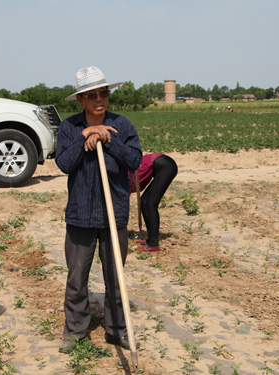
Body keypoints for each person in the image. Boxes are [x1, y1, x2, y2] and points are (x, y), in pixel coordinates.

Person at [55, 66, 142, 353]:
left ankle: (117, 330)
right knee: (77, 278)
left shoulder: (123, 125)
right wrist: (85, 136)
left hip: (114, 213)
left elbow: (134, 161)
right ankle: (75, 331)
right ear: (81, 99)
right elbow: (64, 164)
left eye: (103, 93)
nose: (99, 99)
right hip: (81, 214)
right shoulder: (69, 127)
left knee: (115, 276)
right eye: (91, 95)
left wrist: (108, 139)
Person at [128, 153, 178, 252]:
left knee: (151, 203)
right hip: (162, 165)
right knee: (143, 201)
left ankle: (153, 244)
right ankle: (150, 239)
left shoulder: (125, 176)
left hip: (165, 166)